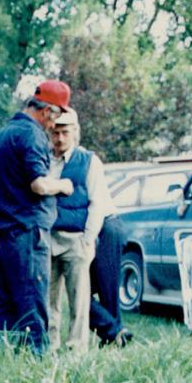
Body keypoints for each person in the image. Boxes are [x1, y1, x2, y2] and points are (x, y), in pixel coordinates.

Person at [0, 79, 75, 353]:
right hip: (27, 233)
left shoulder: (5, 133)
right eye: (57, 115)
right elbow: (38, 184)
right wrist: (63, 185)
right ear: (48, 110)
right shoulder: (32, 136)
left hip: (4, 234)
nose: (54, 124)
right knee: (33, 300)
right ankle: (38, 363)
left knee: (5, 302)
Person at [46, 109, 114, 353]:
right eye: (55, 132)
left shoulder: (88, 161)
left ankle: (77, 349)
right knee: (48, 300)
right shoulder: (44, 159)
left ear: (75, 132)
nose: (60, 138)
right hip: (48, 239)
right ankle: (50, 348)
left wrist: (88, 239)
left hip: (76, 239)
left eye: (65, 132)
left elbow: (98, 202)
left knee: (79, 300)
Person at [90, 214, 132, 346]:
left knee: (83, 293)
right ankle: (114, 335)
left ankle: (113, 332)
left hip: (104, 228)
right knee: (107, 293)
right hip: (107, 227)